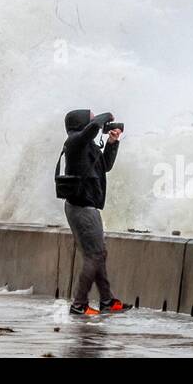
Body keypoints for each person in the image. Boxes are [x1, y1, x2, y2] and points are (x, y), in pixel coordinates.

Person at [60, 109, 126, 317]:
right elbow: (91, 129)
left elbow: (104, 166)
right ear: (81, 123)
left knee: (98, 253)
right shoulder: (74, 142)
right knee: (94, 255)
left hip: (87, 205)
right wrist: (107, 116)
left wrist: (112, 143)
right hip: (81, 207)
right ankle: (79, 304)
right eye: (90, 119)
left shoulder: (85, 145)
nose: (95, 122)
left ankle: (107, 300)